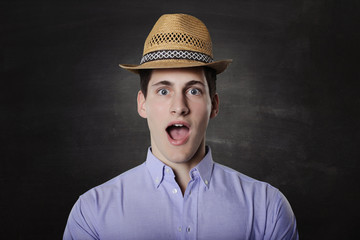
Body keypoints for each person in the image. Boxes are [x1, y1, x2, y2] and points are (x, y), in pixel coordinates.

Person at [63, 13, 298, 240]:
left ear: (214, 105)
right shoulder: (92, 212)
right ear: (142, 104)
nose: (179, 106)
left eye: (193, 90)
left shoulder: (268, 208)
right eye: (163, 91)